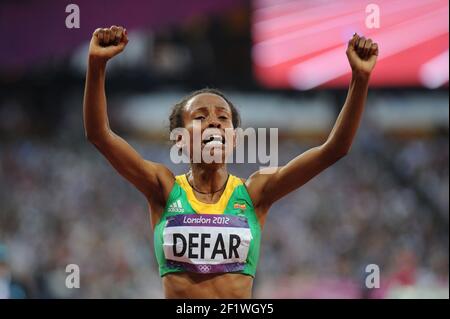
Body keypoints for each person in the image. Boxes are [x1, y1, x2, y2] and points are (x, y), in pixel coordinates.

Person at [83, 25, 378, 298]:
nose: (213, 122)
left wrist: (360, 79)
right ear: (180, 139)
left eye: (223, 118)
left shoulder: (255, 193)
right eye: (200, 117)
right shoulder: (163, 187)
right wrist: (96, 65)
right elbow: (100, 135)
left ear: (234, 139)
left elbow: (334, 149)